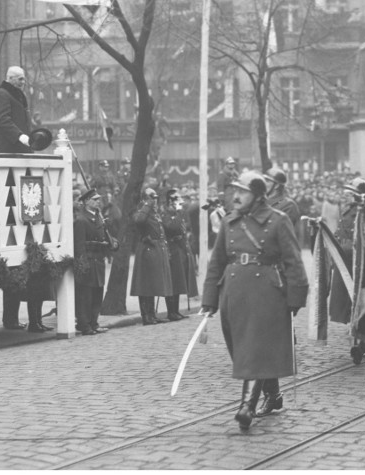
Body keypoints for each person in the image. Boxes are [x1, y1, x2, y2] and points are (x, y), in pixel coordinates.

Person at [201, 171, 308, 431]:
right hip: (233, 294)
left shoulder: (278, 221)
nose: (235, 196)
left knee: (254, 348)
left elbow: (294, 261)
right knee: (243, 350)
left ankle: (246, 407)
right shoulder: (228, 222)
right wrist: (209, 301)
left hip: (267, 294)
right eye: (234, 191)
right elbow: (217, 263)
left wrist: (295, 298)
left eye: (243, 191)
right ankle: (273, 394)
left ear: (259, 196)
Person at [328, 177, 365, 364]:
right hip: (346, 263)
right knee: (349, 302)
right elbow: (339, 234)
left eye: (352, 193)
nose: (348, 196)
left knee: (364, 300)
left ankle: (362, 340)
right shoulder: (346, 211)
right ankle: (359, 338)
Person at [73, 188, 114, 335]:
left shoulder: (98, 218)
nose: (98, 202)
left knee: (97, 293)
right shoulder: (81, 220)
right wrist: (82, 264)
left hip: (98, 260)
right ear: (85, 202)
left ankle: (94, 323)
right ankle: (84, 325)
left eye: (98, 200)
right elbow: (79, 245)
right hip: (88, 260)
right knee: (85, 295)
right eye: (94, 200)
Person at [130, 187, 173, 325]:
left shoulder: (154, 213)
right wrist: (147, 204)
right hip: (146, 249)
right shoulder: (142, 210)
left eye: (155, 198)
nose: (154, 200)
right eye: (151, 197)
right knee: (145, 285)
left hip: (156, 249)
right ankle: (146, 316)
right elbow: (139, 221)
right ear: (144, 199)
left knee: (153, 283)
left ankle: (152, 314)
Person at [162, 188, 198, 320]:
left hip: (180, 247)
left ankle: (176, 310)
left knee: (178, 279)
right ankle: (171, 311)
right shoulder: (164, 212)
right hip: (171, 248)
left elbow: (186, 224)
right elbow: (172, 227)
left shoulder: (179, 211)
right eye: (175, 199)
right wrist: (177, 213)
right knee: (172, 280)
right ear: (169, 200)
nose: (177, 201)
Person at [0, 66, 32, 153]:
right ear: (10, 78)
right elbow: (3, 120)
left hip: (20, 147)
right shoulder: (2, 94)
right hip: (9, 148)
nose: (23, 82)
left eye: (24, 79)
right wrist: (19, 136)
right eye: (20, 79)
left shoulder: (17, 95)